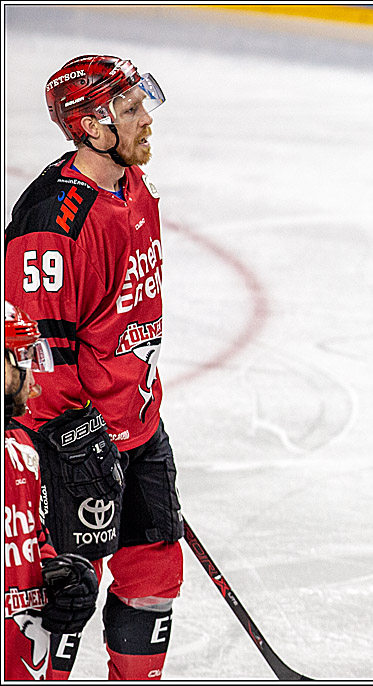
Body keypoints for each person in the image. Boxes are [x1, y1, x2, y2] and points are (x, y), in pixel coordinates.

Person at [4, 54, 183, 680]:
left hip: (139, 429)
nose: (146, 120)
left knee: (154, 576)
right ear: (90, 126)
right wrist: (74, 447)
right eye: (129, 110)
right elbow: (34, 358)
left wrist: (137, 417)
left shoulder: (137, 190)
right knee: (62, 602)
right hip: (71, 442)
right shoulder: (51, 225)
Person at [5, 301, 101, 681]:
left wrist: (62, 575)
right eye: (21, 360)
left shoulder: (21, 447)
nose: (34, 381)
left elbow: (31, 534)